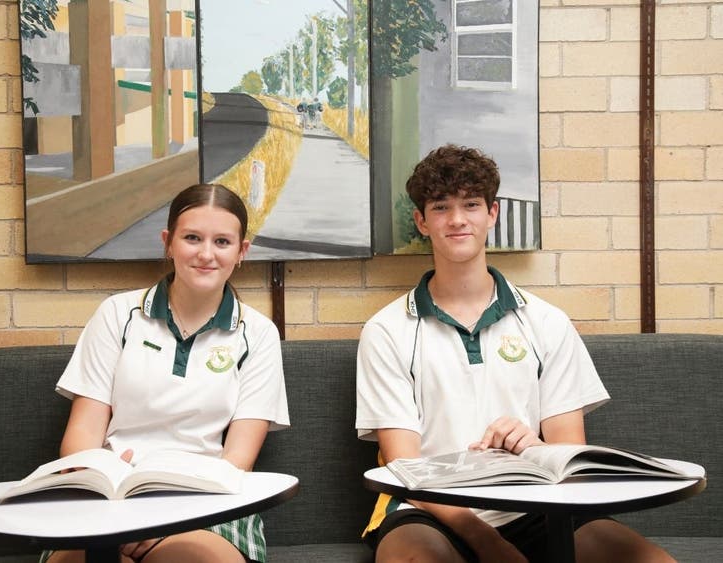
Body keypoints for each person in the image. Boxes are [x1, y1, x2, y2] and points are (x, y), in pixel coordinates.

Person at [355, 145, 675, 562]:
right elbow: (404, 467)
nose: (456, 219)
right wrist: (490, 543)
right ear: (422, 221)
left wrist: (534, 446)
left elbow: (568, 454)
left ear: (492, 214)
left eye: (471, 204)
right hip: (425, 510)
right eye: (441, 207)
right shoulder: (386, 330)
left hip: (537, 504)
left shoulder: (547, 321)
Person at [43, 184, 290, 563]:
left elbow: (239, 458)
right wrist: (118, 512)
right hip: (110, 496)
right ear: (168, 242)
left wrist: (167, 520)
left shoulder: (258, 334)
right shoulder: (116, 314)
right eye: (192, 238)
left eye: (222, 242)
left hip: (208, 502)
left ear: (241, 252)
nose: (206, 254)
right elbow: (81, 438)